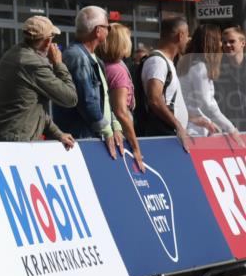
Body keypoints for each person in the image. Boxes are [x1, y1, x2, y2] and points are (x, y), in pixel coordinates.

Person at [0, 16, 77, 147]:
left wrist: (57, 134)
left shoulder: (13, 53)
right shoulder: (34, 64)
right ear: (47, 42)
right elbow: (70, 98)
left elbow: (32, 107)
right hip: (14, 145)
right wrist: (58, 64)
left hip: (2, 138)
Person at [53, 6, 123, 158]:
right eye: (108, 27)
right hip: (82, 138)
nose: (109, 31)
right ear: (98, 31)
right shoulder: (78, 58)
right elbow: (87, 100)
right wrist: (107, 131)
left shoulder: (93, 59)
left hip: (91, 135)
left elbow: (104, 98)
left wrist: (114, 125)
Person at [178, 22, 242, 142]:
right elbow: (207, 104)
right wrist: (231, 128)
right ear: (211, 43)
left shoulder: (187, 63)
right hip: (197, 132)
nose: (221, 44)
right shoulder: (199, 66)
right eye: (219, 40)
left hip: (194, 128)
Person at [96, 24, 146, 172]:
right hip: (119, 128)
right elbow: (120, 111)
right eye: (128, 39)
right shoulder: (117, 70)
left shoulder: (106, 65)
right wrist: (136, 147)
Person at [139, 15, 192, 151]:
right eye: (187, 35)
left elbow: (168, 98)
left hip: (170, 135)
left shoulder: (166, 61)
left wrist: (193, 118)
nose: (188, 40)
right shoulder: (158, 62)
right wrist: (178, 125)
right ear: (180, 36)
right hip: (164, 137)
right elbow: (155, 99)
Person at [216, 26, 246, 131]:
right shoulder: (217, 69)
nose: (227, 45)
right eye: (224, 42)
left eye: (232, 41)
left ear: (243, 43)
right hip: (229, 129)